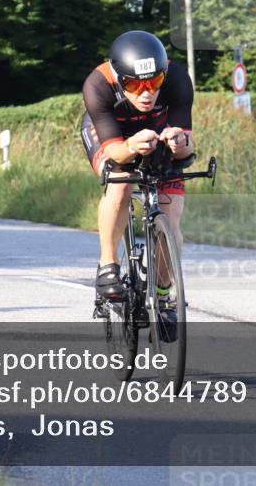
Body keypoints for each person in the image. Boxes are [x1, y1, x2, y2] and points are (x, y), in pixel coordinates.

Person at [80, 30, 194, 305]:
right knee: (121, 182)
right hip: (114, 135)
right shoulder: (98, 84)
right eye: (135, 85)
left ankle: (163, 294)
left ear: (163, 73)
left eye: (155, 82)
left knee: (171, 219)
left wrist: (179, 141)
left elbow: (188, 150)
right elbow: (116, 152)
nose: (147, 93)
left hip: (156, 132)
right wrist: (131, 146)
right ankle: (108, 265)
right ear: (120, 80)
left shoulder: (177, 78)